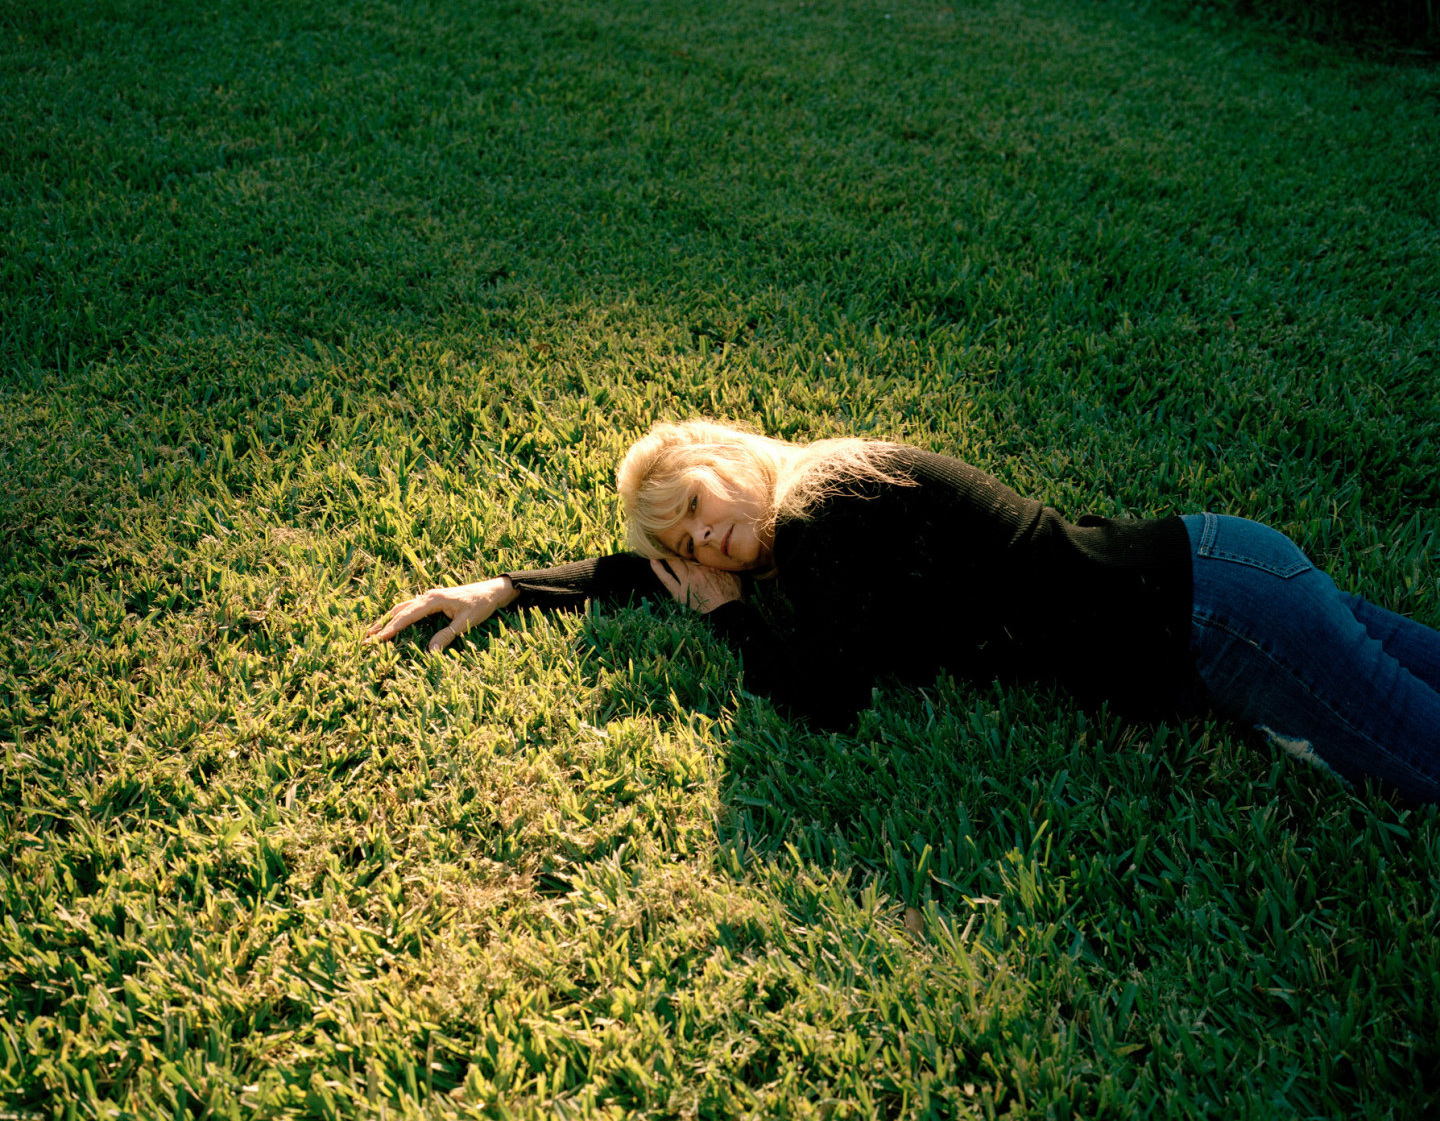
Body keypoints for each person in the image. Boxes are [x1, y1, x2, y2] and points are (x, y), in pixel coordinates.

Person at [366, 419, 1440, 806]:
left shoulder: (825, 512)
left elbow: (824, 694)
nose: (708, 542)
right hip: (1219, 567)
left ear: (729, 457)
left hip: (1213, 616)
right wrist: (506, 586)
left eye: (697, 506)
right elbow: (655, 573)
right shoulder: (812, 498)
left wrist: (729, 616)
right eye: (685, 540)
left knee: (1420, 757)